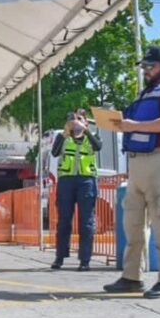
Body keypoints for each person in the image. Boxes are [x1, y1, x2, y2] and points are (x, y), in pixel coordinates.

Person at [104, 45, 160, 299]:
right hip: (138, 161)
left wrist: (135, 125)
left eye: (150, 66)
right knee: (133, 224)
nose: (146, 71)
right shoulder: (146, 93)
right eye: (144, 67)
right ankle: (132, 276)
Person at [50, 110, 101, 271]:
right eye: (73, 119)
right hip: (66, 180)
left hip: (86, 180)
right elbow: (54, 152)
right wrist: (65, 132)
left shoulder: (91, 137)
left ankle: (84, 260)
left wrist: (86, 131)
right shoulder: (64, 137)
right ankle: (60, 257)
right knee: (64, 220)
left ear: (86, 122)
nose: (75, 121)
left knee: (86, 222)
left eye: (79, 119)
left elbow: (98, 147)